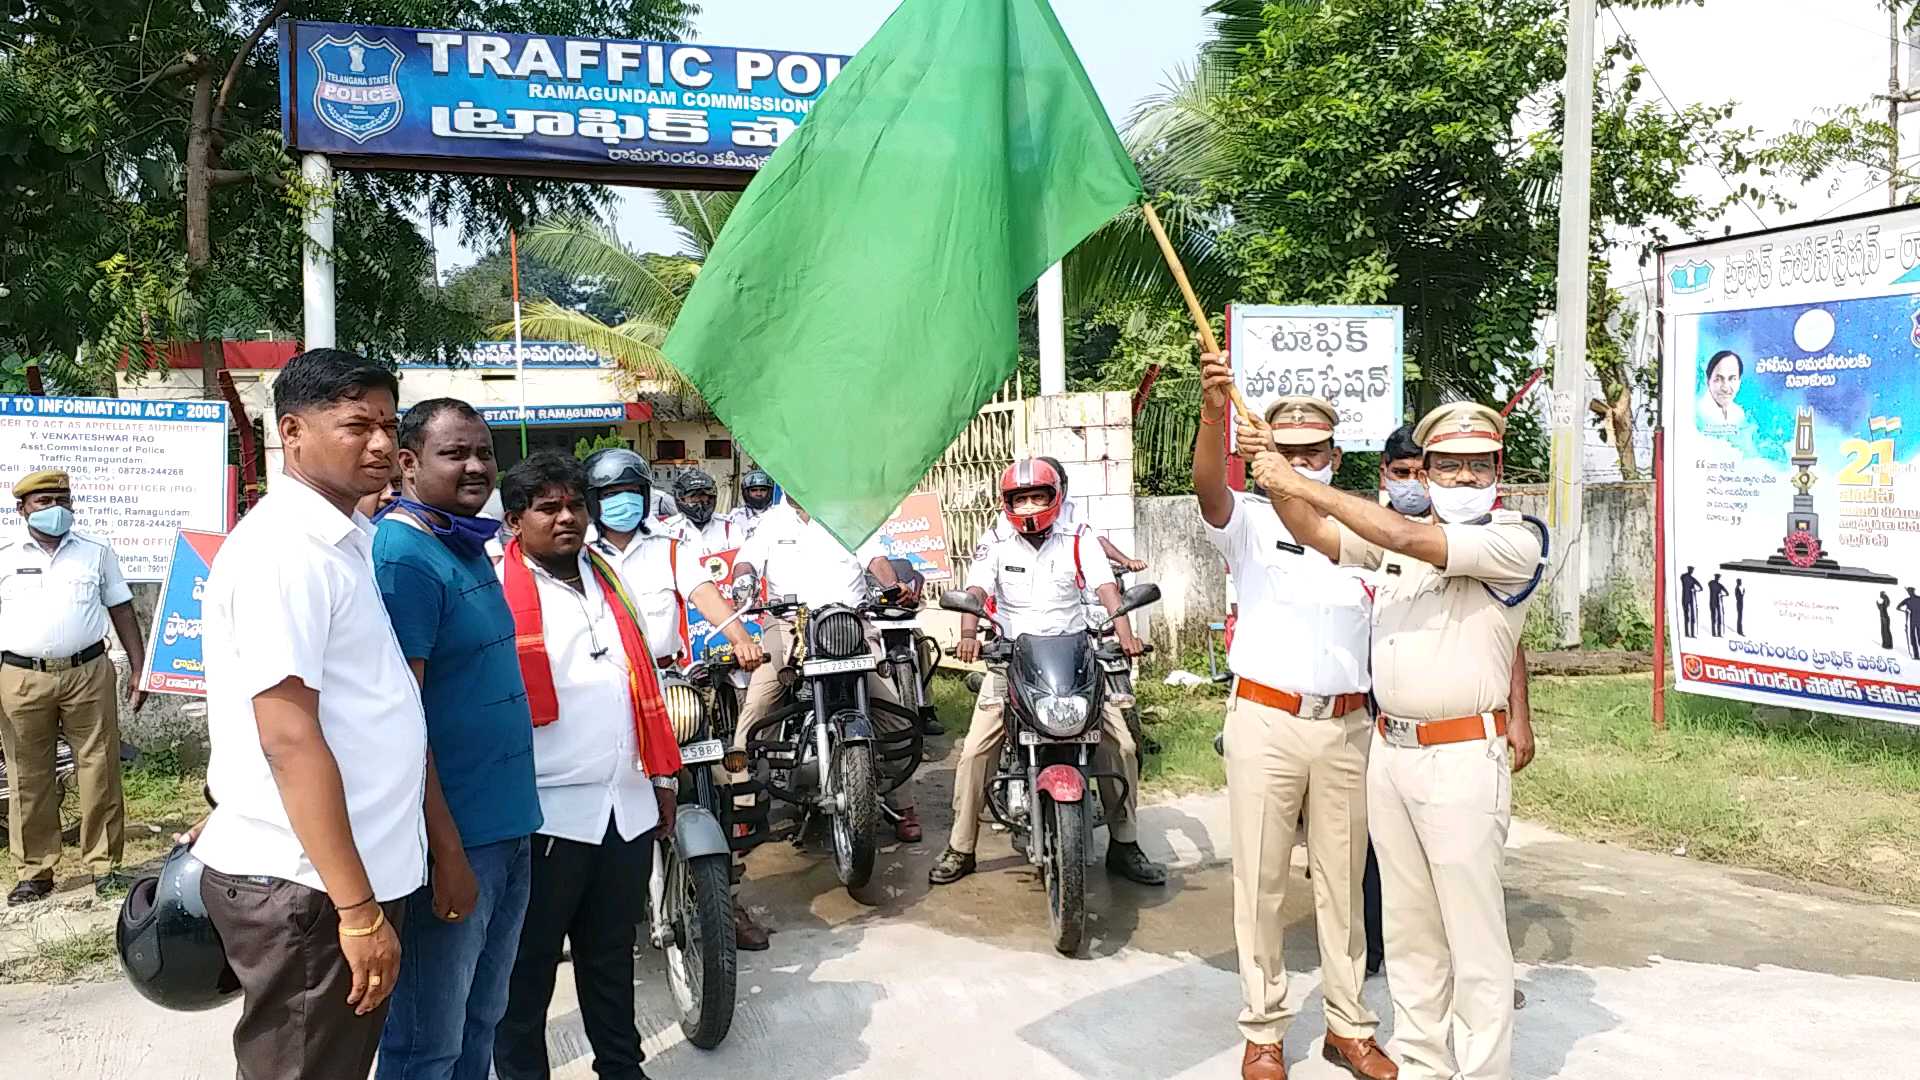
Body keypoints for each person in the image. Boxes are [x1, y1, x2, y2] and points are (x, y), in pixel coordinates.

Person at [1249, 398, 1545, 1080]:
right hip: (1392, 752)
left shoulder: (1514, 539)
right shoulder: (1398, 535)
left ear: (1499, 469)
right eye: (1448, 465)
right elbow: (1315, 531)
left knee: (1471, 934)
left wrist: (1300, 481)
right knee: (1410, 932)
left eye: (1478, 467)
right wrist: (1270, 472)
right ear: (1428, 470)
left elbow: (1412, 541)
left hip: (1463, 757)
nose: (1464, 479)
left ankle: (1481, 1069)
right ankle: (1423, 1062)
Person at [193, 349, 433, 1079]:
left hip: (339, 874)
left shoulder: (342, 540)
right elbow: (290, 739)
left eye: (390, 426)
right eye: (358, 425)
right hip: (311, 887)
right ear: (292, 431)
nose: (384, 445)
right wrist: (358, 912)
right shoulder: (284, 553)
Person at [1193, 368, 1393, 1080]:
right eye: (1288, 449)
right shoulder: (1249, 518)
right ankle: (1265, 1030)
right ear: (1262, 451)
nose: (1302, 462)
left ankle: (1349, 1025)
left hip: (1345, 727)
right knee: (1262, 880)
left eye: (1314, 452)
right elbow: (1209, 491)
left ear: (1336, 457)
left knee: (1344, 884)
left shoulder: (1365, 528)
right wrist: (1215, 415)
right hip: (1267, 720)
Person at [492, 452, 683, 1080]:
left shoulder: (607, 574)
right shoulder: (497, 584)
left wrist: (659, 778)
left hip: (621, 803)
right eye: (548, 507)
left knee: (610, 958)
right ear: (516, 519)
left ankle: (622, 1070)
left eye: (575, 504)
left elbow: (642, 676)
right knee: (529, 969)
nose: (567, 517)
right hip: (545, 813)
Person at [371, 398, 541, 1080]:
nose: (475, 466)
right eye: (454, 453)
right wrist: (445, 852)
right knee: (426, 1043)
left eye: (483, 452)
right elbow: (401, 721)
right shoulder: (405, 554)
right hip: (454, 839)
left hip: (507, 828)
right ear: (409, 464)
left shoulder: (463, 543)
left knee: (481, 1020)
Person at [928, 458, 1167, 889]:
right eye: (1021, 498)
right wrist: (969, 633)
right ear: (1007, 503)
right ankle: (961, 847)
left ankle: (1125, 843)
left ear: (1056, 497)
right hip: (1011, 659)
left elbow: (1107, 590)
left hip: (1075, 658)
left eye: (1038, 496)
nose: (1030, 505)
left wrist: (1125, 634)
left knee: (1123, 747)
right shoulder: (996, 541)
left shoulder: (1078, 538)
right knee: (974, 752)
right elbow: (977, 591)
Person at [579, 448, 770, 949]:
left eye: (630, 492)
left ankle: (720, 897)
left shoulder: (670, 548)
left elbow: (706, 594)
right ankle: (584, 903)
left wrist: (740, 637)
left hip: (669, 688)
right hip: (605, 691)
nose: (622, 502)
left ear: (645, 497)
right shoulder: (578, 553)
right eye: (610, 494)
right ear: (593, 501)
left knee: (705, 776)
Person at [732, 492, 924, 843]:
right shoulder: (770, 521)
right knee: (758, 706)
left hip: (848, 622)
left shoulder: (846, 511)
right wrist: (742, 583)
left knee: (894, 710)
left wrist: (892, 585)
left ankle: (904, 804)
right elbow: (746, 563)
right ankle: (743, 805)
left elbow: (876, 559)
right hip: (787, 625)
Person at [0, 469, 146, 904]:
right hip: (21, 676)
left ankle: (103, 865)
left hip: (88, 670)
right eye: (43, 502)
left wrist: (140, 667)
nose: (54, 510)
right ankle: (35, 871)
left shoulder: (96, 551)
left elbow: (121, 608)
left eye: (61, 500)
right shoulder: (4, 553)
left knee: (99, 767)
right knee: (27, 774)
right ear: (22, 508)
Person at [668, 468, 742, 553]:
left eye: (703, 495)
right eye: (693, 496)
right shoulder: (669, 529)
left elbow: (741, 559)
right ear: (681, 499)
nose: (698, 499)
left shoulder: (728, 526)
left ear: (711, 497)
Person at [728, 467, 778, 537]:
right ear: (746, 492)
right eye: (754, 490)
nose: (759, 493)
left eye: (763, 490)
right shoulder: (736, 515)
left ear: (769, 492)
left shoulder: (778, 514)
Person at [1702, 351, 1744, 427]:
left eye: (1732, 379)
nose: (1725, 388)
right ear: (1708, 381)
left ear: (1739, 383)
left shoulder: (1739, 414)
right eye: (1718, 379)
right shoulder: (1699, 414)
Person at [1899, 587, 1920, 661]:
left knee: (1914, 639)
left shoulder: (1907, 600)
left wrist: (1905, 610)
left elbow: (1898, 607)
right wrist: (1906, 610)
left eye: (1909, 591)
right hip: (1913, 622)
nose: (1909, 593)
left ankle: (1917, 656)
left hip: (1913, 622)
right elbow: (1898, 607)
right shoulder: (1913, 599)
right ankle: (1916, 656)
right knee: (1914, 639)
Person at [1680, 566, 1701, 637]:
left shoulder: (1684, 576)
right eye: (1691, 570)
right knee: (1689, 616)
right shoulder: (1689, 578)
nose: (1691, 571)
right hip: (1689, 598)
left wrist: (1695, 589)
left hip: (1687, 598)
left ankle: (1689, 633)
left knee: (1689, 616)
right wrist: (1695, 589)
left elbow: (1701, 587)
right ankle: (1689, 634)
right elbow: (1700, 588)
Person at [1708, 573, 1728, 637]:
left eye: (1718, 577)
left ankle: (1718, 633)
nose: (1717, 578)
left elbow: (1727, 593)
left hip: (1718, 603)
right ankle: (1714, 633)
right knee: (1714, 618)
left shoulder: (1719, 585)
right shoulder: (1711, 583)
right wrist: (1722, 594)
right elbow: (1727, 593)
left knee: (1718, 618)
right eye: (1717, 577)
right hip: (1713, 602)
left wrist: (1722, 595)